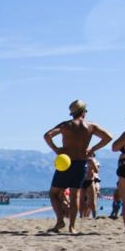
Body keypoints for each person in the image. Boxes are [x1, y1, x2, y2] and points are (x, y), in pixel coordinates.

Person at [42, 100, 112, 234]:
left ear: (72, 113)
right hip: (81, 162)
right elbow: (108, 137)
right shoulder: (90, 126)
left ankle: (60, 220)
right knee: (75, 196)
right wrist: (92, 149)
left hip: (66, 162)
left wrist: (56, 149)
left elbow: (47, 135)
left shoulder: (66, 125)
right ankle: (72, 227)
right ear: (84, 112)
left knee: (54, 193)